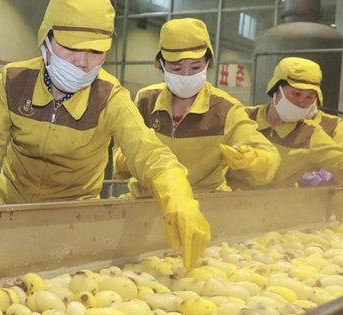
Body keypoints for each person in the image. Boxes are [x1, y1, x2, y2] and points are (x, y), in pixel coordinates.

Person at [0, 0, 211, 269]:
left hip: (72, 217)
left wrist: (178, 196)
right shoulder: (14, 82)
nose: (82, 62)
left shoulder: (110, 97)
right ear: (47, 37)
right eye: (70, 47)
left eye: (96, 51)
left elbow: (149, 154)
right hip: (6, 203)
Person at [113, 19, 279, 193]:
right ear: (162, 65)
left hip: (204, 205)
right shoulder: (145, 101)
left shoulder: (225, 109)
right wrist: (132, 160)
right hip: (148, 202)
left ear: (207, 63)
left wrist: (254, 160)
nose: (186, 76)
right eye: (176, 69)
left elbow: (269, 156)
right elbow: (120, 152)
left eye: (195, 67)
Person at [238, 57, 343, 205]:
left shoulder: (310, 134)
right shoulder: (242, 117)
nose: (302, 101)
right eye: (296, 93)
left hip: (275, 206)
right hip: (227, 200)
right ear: (276, 90)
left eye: (309, 96)